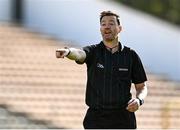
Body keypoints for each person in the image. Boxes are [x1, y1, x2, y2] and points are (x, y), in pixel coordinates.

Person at [56, 11, 148, 129]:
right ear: (100, 29)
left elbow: (142, 87)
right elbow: (79, 54)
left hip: (124, 119)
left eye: (111, 23)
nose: (107, 27)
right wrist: (69, 52)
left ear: (119, 28)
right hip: (96, 119)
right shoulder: (93, 52)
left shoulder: (131, 55)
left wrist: (139, 100)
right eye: (103, 24)